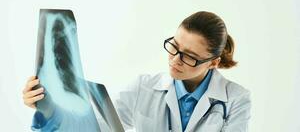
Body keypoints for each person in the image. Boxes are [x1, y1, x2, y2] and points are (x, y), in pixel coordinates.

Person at [23, 11, 251, 132]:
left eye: (189, 57)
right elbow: (98, 130)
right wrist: (51, 107)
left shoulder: (235, 99)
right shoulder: (143, 87)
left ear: (213, 62)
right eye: (174, 46)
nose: (174, 59)